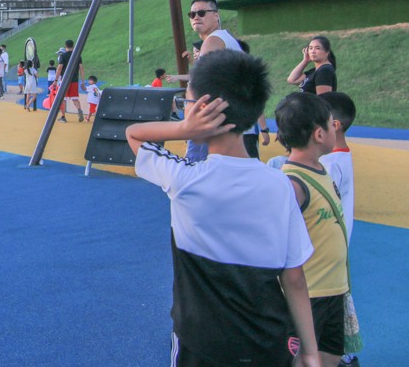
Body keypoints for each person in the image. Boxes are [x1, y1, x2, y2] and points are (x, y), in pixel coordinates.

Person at [126, 50, 320, 367]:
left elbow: (133, 135)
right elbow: (294, 278)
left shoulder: (184, 179)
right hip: (265, 341)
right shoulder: (280, 186)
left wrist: (182, 130)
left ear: (201, 110)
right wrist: (310, 352)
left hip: (199, 342)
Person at [276, 92, 348, 367]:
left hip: (333, 290)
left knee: (330, 355)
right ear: (319, 134)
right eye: (332, 125)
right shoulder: (292, 184)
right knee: (301, 360)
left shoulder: (320, 169)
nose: (335, 128)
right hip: (308, 296)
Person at [164, 0, 242, 161]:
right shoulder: (226, 39)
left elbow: (199, 82)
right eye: (192, 14)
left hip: (208, 121)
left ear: (216, 16)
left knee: (197, 174)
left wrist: (189, 115)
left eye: (201, 12)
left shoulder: (214, 40)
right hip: (227, 120)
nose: (196, 17)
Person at [319, 92, 363, 365]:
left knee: (326, 301)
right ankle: (341, 353)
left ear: (333, 125)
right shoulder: (339, 156)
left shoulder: (330, 163)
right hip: (337, 243)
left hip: (327, 245)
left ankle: (337, 355)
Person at [56, 39, 86, 123]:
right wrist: (83, 82)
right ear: (73, 46)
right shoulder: (77, 55)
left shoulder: (63, 56)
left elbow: (59, 68)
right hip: (74, 80)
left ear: (65, 46)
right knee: (75, 98)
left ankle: (63, 117)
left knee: (63, 99)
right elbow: (81, 69)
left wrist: (55, 80)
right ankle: (79, 110)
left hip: (65, 80)